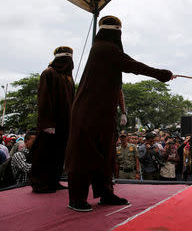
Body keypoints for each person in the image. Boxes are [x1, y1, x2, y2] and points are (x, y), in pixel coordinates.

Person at [65, 16, 174, 212]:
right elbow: (133, 65)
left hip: (102, 115)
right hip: (88, 114)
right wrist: (161, 74)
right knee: (84, 156)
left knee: (106, 156)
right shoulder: (104, 49)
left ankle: (106, 193)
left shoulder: (103, 50)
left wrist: (122, 111)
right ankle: (76, 198)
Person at [30, 46, 75, 193]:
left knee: (59, 154)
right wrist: (48, 123)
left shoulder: (69, 78)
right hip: (50, 124)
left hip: (65, 123)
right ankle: (40, 183)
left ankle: (53, 181)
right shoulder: (48, 73)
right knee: (44, 153)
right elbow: (43, 99)